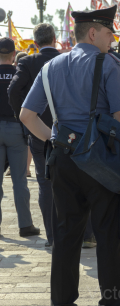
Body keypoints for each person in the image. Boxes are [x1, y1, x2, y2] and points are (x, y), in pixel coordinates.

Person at [19, 6, 120, 306]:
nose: (112, 39)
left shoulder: (51, 67)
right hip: (101, 160)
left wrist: (56, 140)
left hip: (63, 160)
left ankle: (62, 300)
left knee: (66, 235)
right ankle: (111, 300)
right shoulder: (107, 63)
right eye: (109, 33)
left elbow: (27, 114)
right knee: (108, 235)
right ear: (94, 33)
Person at [8, 24, 60, 248]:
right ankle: (84, 235)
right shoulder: (67, 60)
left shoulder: (28, 62)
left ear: (35, 42)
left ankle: (52, 235)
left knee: (45, 182)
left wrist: (24, 115)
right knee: (76, 183)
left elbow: (13, 91)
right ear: (55, 39)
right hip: (67, 130)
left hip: (37, 129)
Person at [0, 38, 40, 237]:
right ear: (14, 55)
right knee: (19, 180)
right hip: (16, 128)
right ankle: (25, 225)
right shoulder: (19, 73)